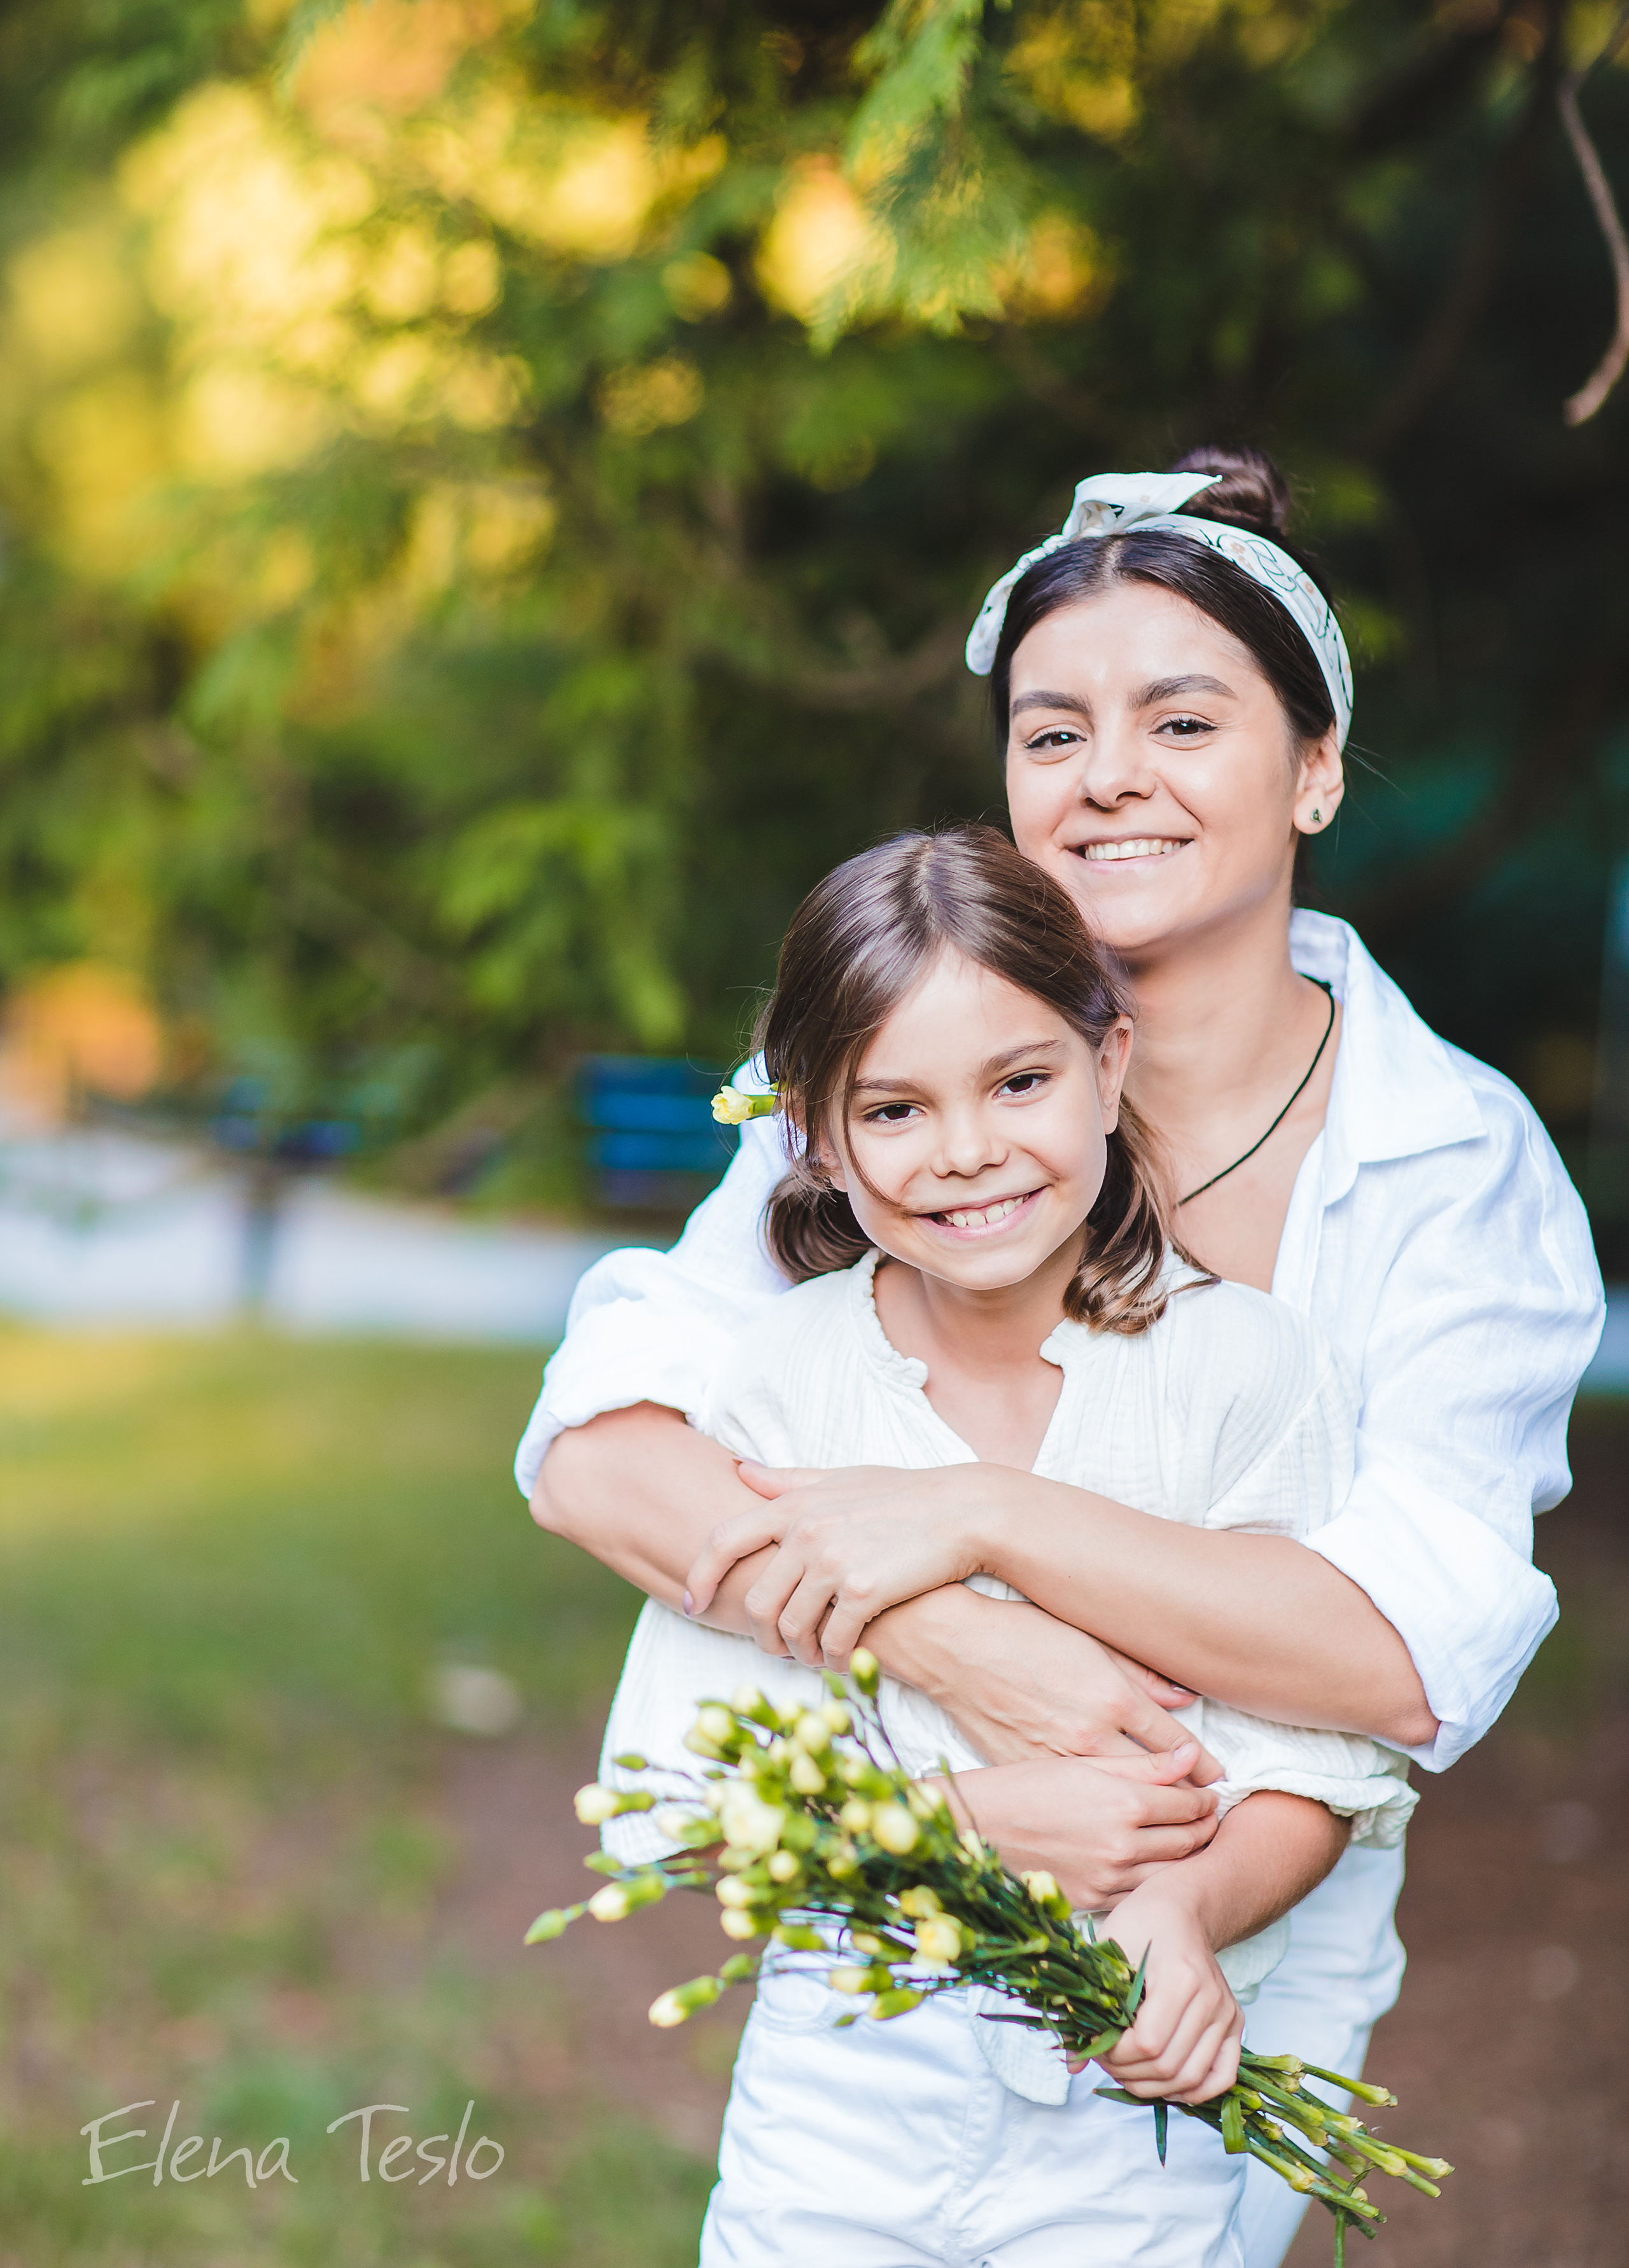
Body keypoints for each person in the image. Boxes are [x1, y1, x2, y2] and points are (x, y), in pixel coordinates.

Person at [522, 444, 1604, 2266]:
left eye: (1183, 721)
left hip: (1217, 1980)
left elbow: (1403, 1660)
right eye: (1051, 732)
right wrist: (950, 1638)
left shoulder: (1450, 1159)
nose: (1109, 777)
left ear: (1317, 767)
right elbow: (603, 1449)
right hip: (870, 2042)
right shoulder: (911, 1094)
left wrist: (973, 1521)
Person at [595, 823, 1416, 2266]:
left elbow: (1325, 1754)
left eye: (1020, 1082)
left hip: (1129, 2136)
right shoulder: (779, 1390)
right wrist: (963, 1834)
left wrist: (1184, 1911)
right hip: (837, 2115)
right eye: (894, 1110)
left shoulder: (1243, 1371)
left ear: (1108, 1067)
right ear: (814, 1133)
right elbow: (680, 1794)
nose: (966, 1153)